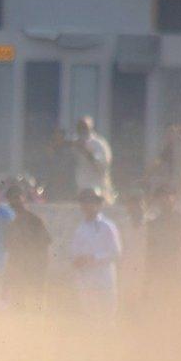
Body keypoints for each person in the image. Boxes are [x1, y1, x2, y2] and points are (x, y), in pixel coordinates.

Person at [69, 188, 122, 322]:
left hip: (105, 280)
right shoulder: (80, 229)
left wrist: (95, 258)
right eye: (84, 202)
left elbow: (116, 253)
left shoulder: (108, 226)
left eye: (91, 202)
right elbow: (75, 255)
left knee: (107, 320)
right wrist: (77, 262)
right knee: (90, 320)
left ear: (98, 204)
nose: (87, 205)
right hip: (87, 281)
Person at [2, 183, 52, 310]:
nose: (15, 201)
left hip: (35, 273)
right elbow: (9, 252)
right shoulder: (10, 224)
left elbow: (45, 248)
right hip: (18, 275)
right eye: (12, 198)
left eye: (17, 197)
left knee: (35, 309)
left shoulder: (35, 221)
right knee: (18, 310)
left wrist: (42, 275)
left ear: (23, 198)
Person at [145, 185, 181, 304]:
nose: (165, 200)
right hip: (161, 273)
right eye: (161, 197)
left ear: (174, 198)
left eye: (168, 197)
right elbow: (150, 253)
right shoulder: (153, 224)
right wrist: (148, 280)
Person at [68, 117, 113, 201]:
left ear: (90, 128)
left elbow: (103, 166)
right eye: (79, 127)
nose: (82, 130)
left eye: (84, 127)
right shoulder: (74, 143)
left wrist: (86, 152)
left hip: (97, 190)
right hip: (80, 189)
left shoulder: (99, 144)